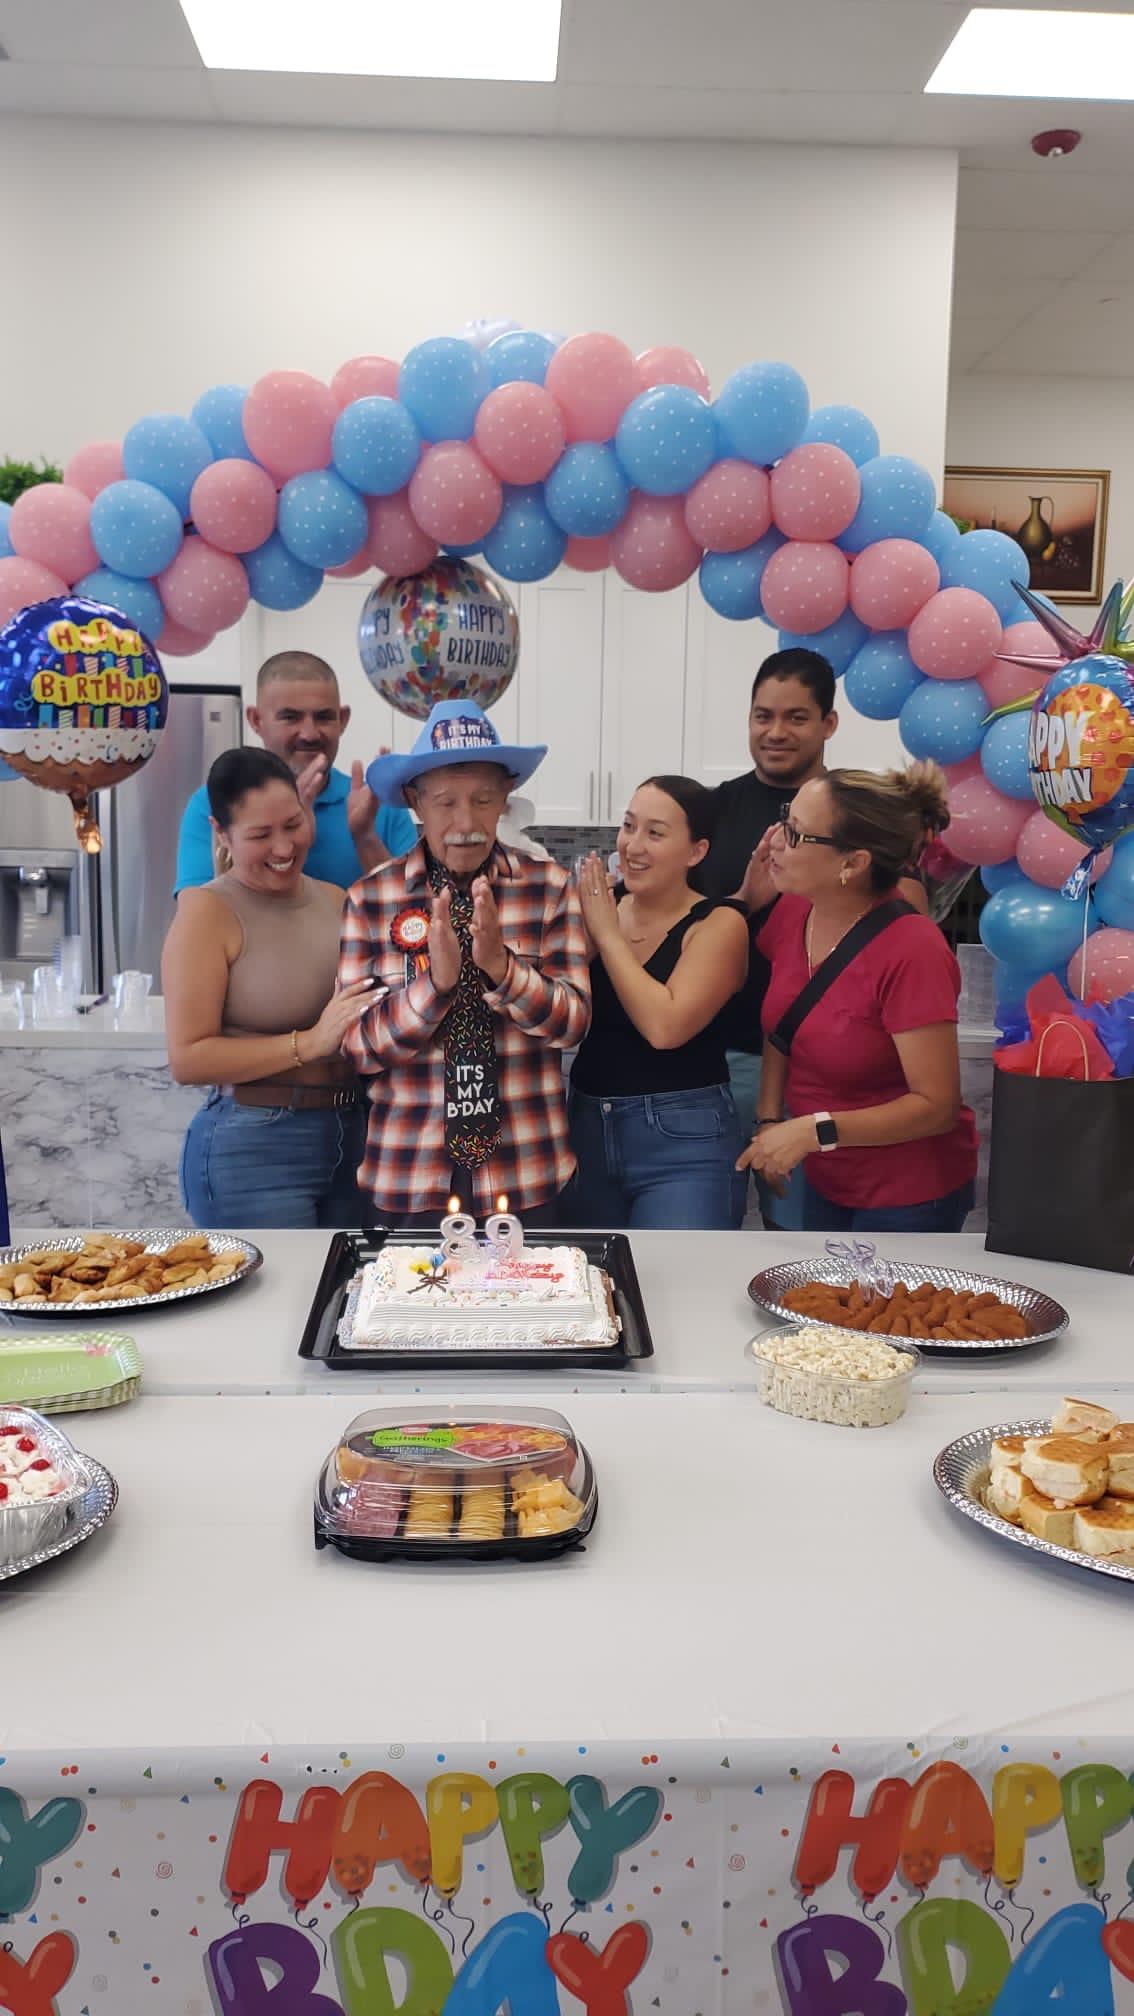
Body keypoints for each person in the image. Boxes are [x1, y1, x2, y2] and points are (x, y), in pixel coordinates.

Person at [338, 700, 590, 1226]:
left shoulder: (549, 889)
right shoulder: (370, 899)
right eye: (446, 802)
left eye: (482, 800)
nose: (466, 822)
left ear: (505, 800)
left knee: (531, 1310)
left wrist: (502, 969)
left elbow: (572, 1025)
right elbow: (358, 1047)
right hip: (408, 1176)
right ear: (415, 802)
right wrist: (437, 984)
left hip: (526, 1174)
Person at [703, 646, 926, 1227]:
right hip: (719, 1063)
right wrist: (744, 902)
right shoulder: (714, 810)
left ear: (828, 723)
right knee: (725, 1242)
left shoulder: (860, 815)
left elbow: (906, 923)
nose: (775, 732)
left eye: (796, 717)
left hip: (833, 1084)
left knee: (814, 1255)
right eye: (762, 715)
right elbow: (684, 930)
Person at [737, 763, 977, 1234]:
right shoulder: (794, 910)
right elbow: (783, 1027)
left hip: (910, 1192)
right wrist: (769, 1118)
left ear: (853, 863)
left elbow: (936, 1105)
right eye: (786, 821)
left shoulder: (913, 949)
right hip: (829, 1175)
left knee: (889, 1310)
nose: (775, 843)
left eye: (797, 835)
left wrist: (812, 1130)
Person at [163, 748, 378, 1228]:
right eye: (260, 835)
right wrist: (310, 1044)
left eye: (293, 824)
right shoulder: (207, 911)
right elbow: (188, 1058)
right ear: (222, 834)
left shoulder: (336, 899)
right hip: (254, 1148)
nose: (283, 848)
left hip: (354, 1135)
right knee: (280, 1301)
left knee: (344, 1298)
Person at [568, 776, 749, 1230]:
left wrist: (606, 934)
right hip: (587, 1126)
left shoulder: (719, 923)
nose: (632, 845)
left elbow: (665, 1027)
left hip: (683, 1140)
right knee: (598, 1286)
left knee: (679, 1285)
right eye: (629, 827)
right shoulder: (602, 907)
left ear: (696, 851)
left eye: (655, 833)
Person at [174, 651, 416, 893]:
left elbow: (416, 916)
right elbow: (200, 915)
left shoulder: (379, 805)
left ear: (342, 720)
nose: (309, 734)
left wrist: (364, 838)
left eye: (323, 717)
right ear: (256, 720)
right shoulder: (215, 801)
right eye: (290, 718)